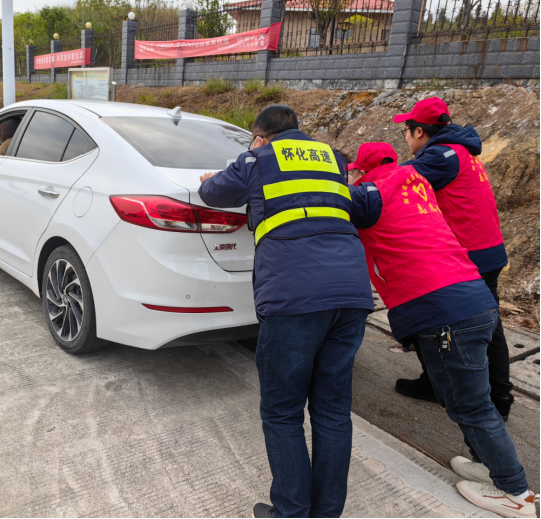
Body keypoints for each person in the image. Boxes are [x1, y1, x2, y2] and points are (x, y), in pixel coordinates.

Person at [199, 105, 374, 518]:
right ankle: (326, 513)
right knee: (333, 411)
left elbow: (213, 194)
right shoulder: (333, 158)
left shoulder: (256, 158)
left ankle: (292, 513)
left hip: (294, 296)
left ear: (260, 137)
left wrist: (209, 179)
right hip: (351, 293)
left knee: (282, 411)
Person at [348, 142, 537, 519]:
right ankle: (487, 465)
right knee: (464, 399)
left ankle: (515, 493)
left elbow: (328, 197)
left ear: (362, 172)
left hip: (444, 313)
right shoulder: (413, 182)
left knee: (471, 406)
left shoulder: (371, 194)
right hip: (474, 297)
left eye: (354, 171)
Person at [393, 97, 514, 421]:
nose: (405, 137)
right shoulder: (460, 151)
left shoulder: (441, 156)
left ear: (419, 131)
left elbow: (394, 179)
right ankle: (440, 383)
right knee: (446, 320)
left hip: (470, 257)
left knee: (480, 328)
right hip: (482, 250)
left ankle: (497, 398)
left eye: (406, 131)